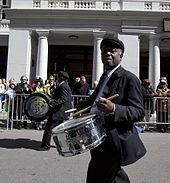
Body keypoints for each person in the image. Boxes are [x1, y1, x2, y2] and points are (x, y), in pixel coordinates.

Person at [76, 36, 146, 183]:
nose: (107, 53)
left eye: (112, 51)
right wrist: (85, 104)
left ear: (121, 55)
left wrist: (113, 108)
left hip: (114, 140)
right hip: (98, 136)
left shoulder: (128, 78)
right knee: (110, 176)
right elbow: (96, 101)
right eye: (104, 51)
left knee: (99, 175)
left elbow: (139, 112)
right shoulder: (104, 76)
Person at [39, 71, 72, 151]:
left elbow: (63, 99)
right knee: (61, 130)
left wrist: (52, 102)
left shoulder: (63, 86)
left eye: (57, 77)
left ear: (62, 78)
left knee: (49, 128)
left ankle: (45, 146)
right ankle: (66, 146)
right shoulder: (63, 85)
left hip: (59, 111)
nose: (56, 78)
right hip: (61, 111)